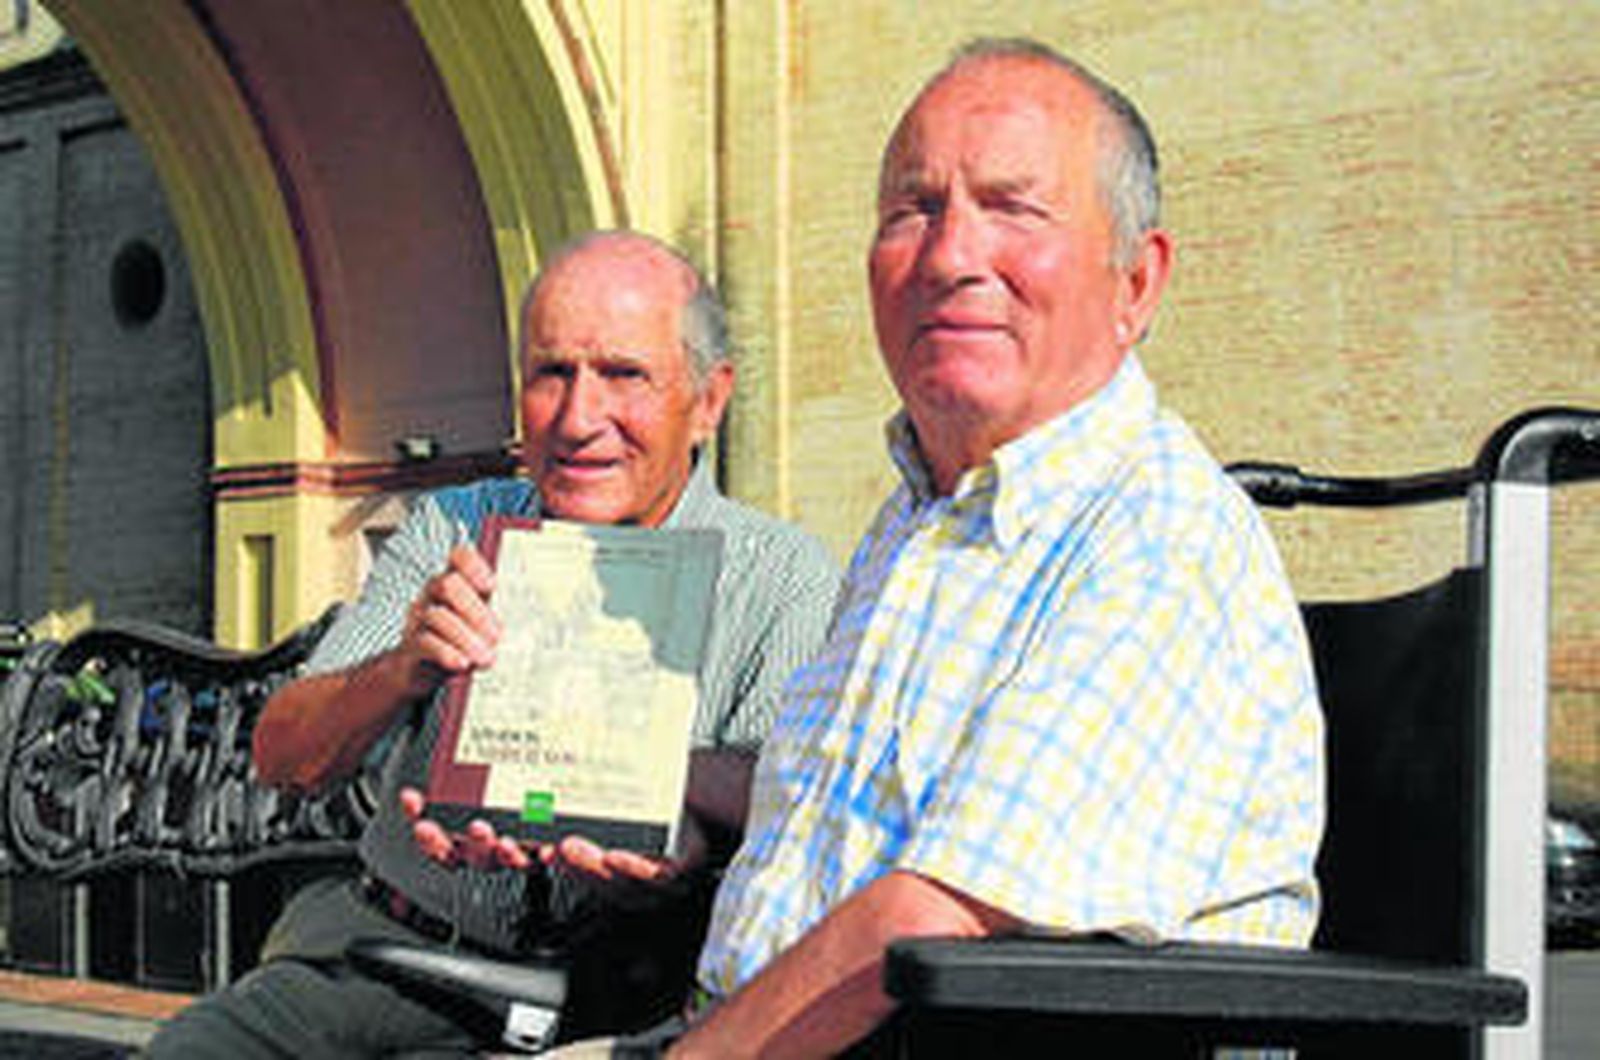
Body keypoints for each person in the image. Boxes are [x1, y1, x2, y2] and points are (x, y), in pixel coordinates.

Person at [547, 38, 1323, 1058]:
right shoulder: (920, 522)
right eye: (913, 209)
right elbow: (844, 835)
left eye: (1012, 207)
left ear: (1135, 281)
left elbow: (930, 922)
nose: (951, 254)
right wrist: (665, 818)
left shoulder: (1153, 537)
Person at [147, 231, 841, 1058]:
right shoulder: (457, 524)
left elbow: (794, 790)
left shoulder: (781, 574)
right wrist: (402, 667)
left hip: (617, 998)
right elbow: (282, 753)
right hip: (386, 960)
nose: (581, 419)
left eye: (624, 375)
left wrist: (631, 774)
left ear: (708, 399)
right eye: (552, 374)